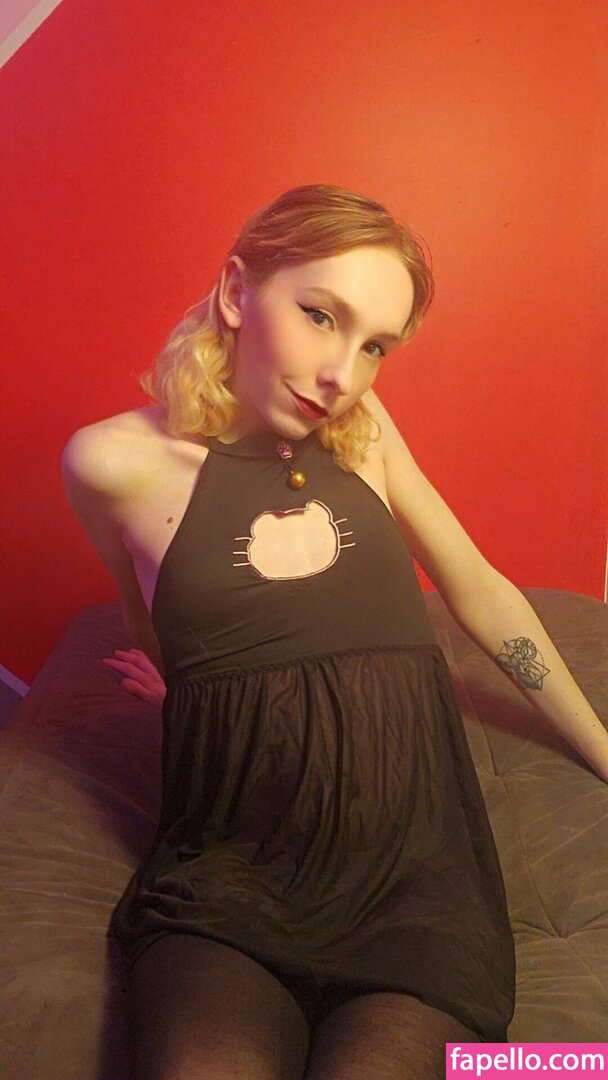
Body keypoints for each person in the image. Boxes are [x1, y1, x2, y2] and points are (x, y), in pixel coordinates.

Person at [61, 183, 608, 1080]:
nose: (342, 376)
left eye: (375, 347)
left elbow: (483, 594)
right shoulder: (110, 462)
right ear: (237, 292)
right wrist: (191, 690)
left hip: (416, 888)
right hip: (234, 878)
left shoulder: (365, 433)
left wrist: (604, 748)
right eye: (321, 316)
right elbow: (145, 606)